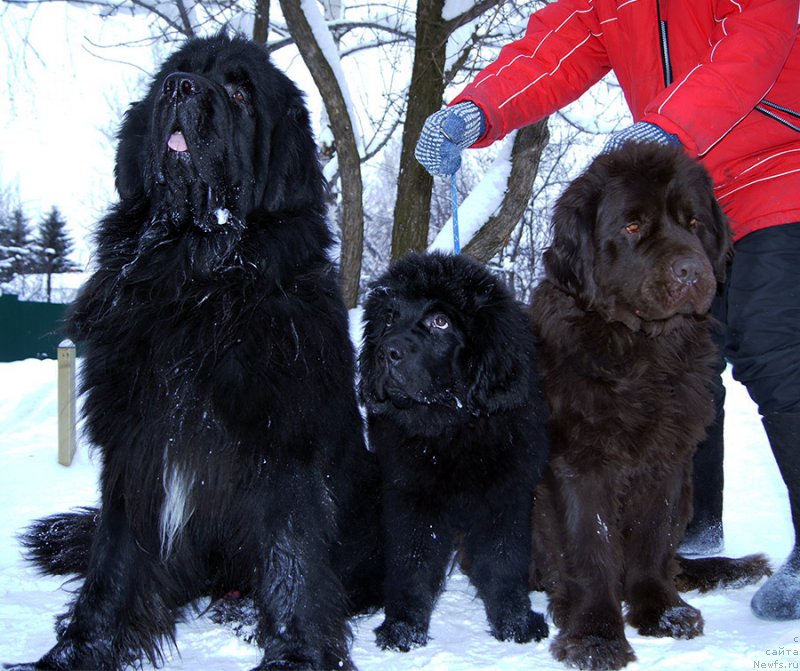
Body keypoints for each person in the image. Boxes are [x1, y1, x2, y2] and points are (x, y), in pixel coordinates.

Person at [415, 0, 800, 621]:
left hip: (775, 162)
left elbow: (758, 38)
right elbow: (549, 52)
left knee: (775, 341)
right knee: (679, 358)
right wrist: (475, 110)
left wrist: (673, 125)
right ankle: (687, 538)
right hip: (679, 182)